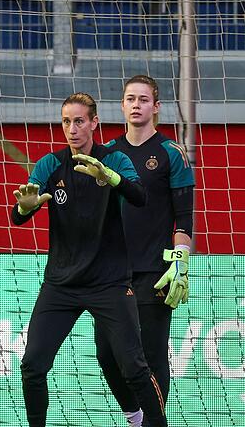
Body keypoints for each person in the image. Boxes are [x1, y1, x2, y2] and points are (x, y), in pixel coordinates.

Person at [11, 92, 168, 427]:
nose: (72, 129)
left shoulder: (114, 159)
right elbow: (19, 213)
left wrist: (109, 177)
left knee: (134, 366)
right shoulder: (51, 164)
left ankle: (150, 422)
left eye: (79, 121)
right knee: (33, 366)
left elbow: (139, 196)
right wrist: (25, 206)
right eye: (66, 121)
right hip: (61, 284)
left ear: (94, 122)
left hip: (109, 283)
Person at [94, 75, 195, 427]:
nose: (136, 104)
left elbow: (184, 221)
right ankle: (135, 417)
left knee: (151, 358)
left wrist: (181, 262)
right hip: (110, 276)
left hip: (155, 271)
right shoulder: (104, 154)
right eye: (130, 98)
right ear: (122, 105)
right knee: (107, 355)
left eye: (143, 99)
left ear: (156, 107)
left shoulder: (171, 154)